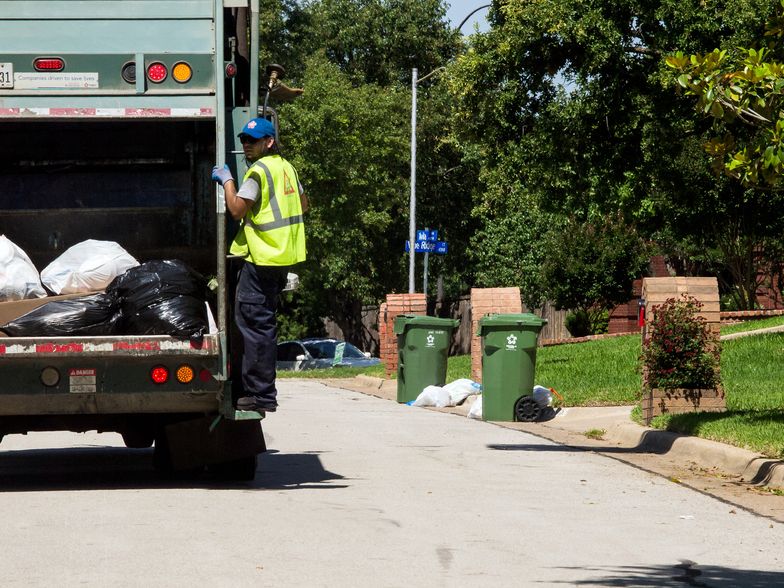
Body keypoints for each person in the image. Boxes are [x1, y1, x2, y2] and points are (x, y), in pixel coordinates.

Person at [212, 117, 308, 412]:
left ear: (269, 142)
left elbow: (237, 209)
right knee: (262, 325)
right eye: (244, 140)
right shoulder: (287, 168)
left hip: (262, 258)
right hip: (280, 258)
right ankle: (262, 392)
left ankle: (261, 394)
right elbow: (304, 204)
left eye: (252, 141)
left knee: (254, 327)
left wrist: (227, 181)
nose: (246, 145)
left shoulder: (258, 171)